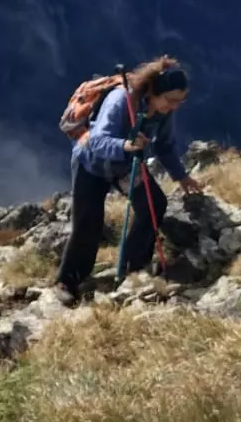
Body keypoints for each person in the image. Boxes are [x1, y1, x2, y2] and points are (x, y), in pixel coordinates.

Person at [54, 56, 205, 306]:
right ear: (154, 91)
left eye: (181, 101)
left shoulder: (163, 110)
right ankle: (67, 281)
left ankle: (132, 268)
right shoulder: (121, 100)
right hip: (91, 164)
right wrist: (125, 145)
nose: (175, 106)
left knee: (154, 204)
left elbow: (165, 146)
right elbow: (97, 141)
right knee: (88, 223)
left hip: (124, 166)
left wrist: (181, 176)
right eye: (171, 100)